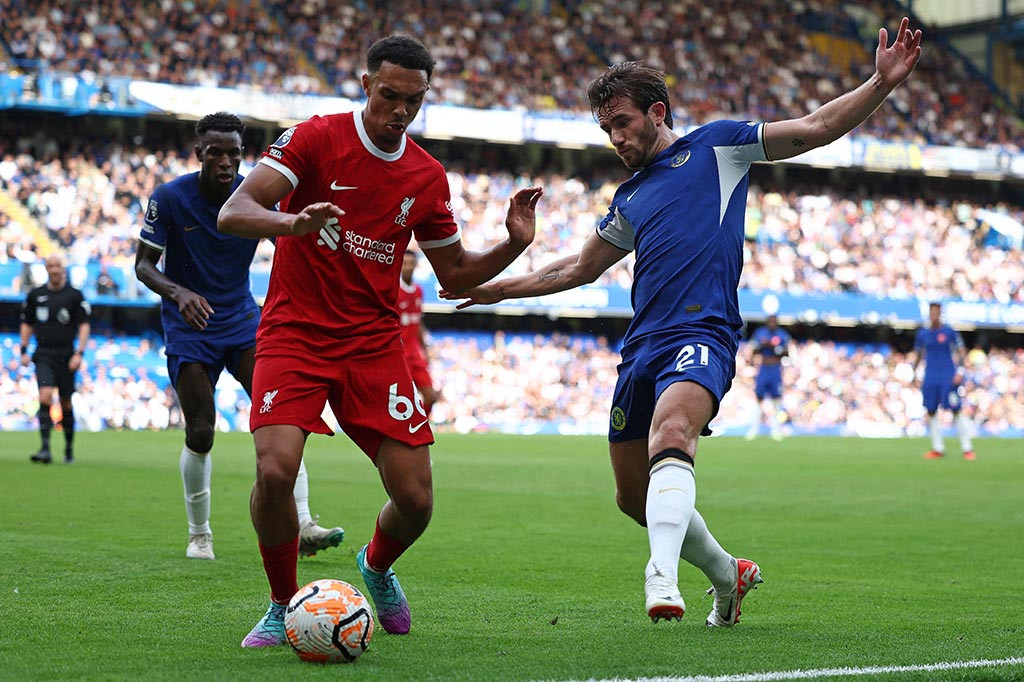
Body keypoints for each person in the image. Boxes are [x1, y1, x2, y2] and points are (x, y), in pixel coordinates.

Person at [443, 19, 922, 624]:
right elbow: (582, 268)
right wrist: (496, 290)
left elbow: (816, 128)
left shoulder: (720, 146)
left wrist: (879, 84)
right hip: (642, 346)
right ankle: (728, 575)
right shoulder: (629, 198)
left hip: (704, 332)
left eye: (622, 122)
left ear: (657, 111)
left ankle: (660, 576)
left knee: (673, 435)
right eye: (605, 129)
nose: (615, 138)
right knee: (632, 496)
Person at [217, 35, 541, 646]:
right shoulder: (315, 137)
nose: (399, 110)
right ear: (366, 84)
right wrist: (293, 223)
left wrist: (513, 245)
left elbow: (456, 276)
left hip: (372, 345)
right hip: (295, 334)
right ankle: (282, 604)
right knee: (276, 469)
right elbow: (233, 212)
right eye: (389, 95)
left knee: (416, 500)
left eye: (412, 101)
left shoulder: (426, 175)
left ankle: (376, 566)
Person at [135, 112, 344, 562]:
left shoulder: (255, 196)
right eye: (216, 152)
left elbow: (290, 242)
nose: (226, 161)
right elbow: (143, 265)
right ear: (199, 154)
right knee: (201, 428)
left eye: (234, 152)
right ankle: (199, 534)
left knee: (283, 416)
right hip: (189, 325)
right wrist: (179, 292)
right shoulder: (169, 198)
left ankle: (303, 521)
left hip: (242, 320)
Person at [20, 253, 90, 464]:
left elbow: (84, 325)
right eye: (50, 266)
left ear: (63, 268)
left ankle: (68, 450)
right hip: (43, 354)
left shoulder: (75, 296)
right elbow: (27, 323)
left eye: (57, 265)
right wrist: (23, 349)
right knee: (44, 395)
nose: (54, 269)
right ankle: (45, 449)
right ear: (47, 269)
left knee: (66, 403)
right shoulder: (35, 295)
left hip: (67, 354)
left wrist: (79, 353)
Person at [911, 302, 975, 460]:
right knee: (931, 410)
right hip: (930, 376)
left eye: (936, 312)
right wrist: (914, 373)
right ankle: (937, 448)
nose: (934, 315)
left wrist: (960, 371)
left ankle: (967, 448)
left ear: (940, 313)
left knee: (955, 409)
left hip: (948, 375)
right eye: (931, 312)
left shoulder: (949, 331)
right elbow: (918, 353)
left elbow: (961, 350)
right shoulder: (923, 334)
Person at [398, 249, 439, 415]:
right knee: (402, 398)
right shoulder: (394, 291)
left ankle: (419, 426)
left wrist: (425, 349)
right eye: (404, 263)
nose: (408, 267)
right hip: (399, 355)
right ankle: (407, 431)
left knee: (431, 396)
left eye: (411, 263)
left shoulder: (418, 291)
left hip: (414, 353)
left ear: (416, 265)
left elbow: (419, 323)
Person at [745, 314, 791, 441]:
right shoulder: (760, 333)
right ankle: (754, 429)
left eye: (774, 321)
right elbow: (753, 350)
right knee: (759, 398)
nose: (772, 323)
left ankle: (776, 430)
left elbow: (787, 352)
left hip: (775, 368)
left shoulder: (782, 334)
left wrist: (775, 348)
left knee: (776, 399)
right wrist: (763, 346)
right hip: (764, 367)